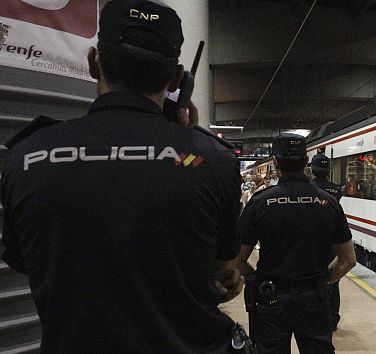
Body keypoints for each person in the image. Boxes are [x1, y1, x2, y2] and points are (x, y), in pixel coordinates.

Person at [0, 0, 245, 352]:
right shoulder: (212, 160)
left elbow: (24, 260)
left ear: (93, 62)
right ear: (177, 79)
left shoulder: (27, 156)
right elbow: (223, 269)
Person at [237, 134, 356, 353]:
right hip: (315, 299)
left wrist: (256, 278)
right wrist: (323, 280)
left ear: (276, 161)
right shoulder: (329, 202)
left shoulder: (259, 202)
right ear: (306, 161)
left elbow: (237, 260)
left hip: (271, 298)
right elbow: (348, 260)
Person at [309, 153, 344, 331]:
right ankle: (332, 317)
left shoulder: (309, 188)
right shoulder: (336, 190)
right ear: (328, 170)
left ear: (312, 170)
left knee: (312, 278)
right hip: (332, 240)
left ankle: (315, 316)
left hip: (313, 240)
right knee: (333, 281)